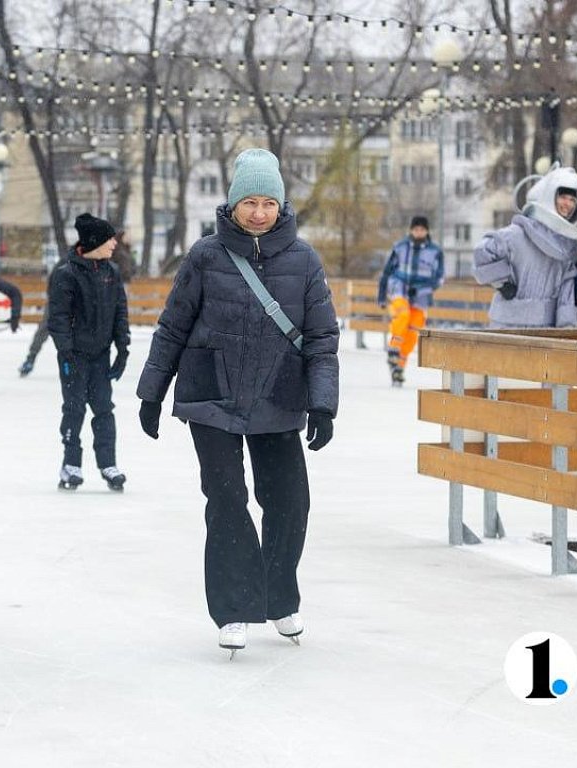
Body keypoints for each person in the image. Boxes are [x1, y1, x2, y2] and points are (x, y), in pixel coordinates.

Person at [136, 148, 339, 654]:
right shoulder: (205, 256)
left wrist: (323, 404)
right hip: (212, 394)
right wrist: (151, 394)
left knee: (290, 501)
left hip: (278, 393)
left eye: (268, 202)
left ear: (280, 204)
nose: (259, 212)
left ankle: (277, 595)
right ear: (232, 204)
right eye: (249, 201)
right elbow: (173, 327)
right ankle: (233, 606)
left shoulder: (303, 260)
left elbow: (321, 339)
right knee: (227, 500)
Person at [49, 212, 130, 491]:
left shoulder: (111, 272)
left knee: (104, 410)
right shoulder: (66, 274)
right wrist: (66, 352)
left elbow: (120, 312)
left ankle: (108, 464)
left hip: (100, 356)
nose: (114, 245)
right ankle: (70, 465)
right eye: (110, 240)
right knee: (74, 409)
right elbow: (58, 318)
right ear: (95, 241)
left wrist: (123, 349)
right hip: (74, 357)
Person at [473, 162, 577, 328]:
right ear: (549, 196)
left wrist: (567, 327)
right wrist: (503, 283)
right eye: (563, 197)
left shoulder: (568, 247)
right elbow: (482, 252)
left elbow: (566, 292)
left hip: (543, 329)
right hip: (507, 327)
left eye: (573, 200)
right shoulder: (517, 234)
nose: (568, 204)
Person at [20, 230, 135, 377]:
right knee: (47, 326)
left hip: (85, 302)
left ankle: (85, 365)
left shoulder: (112, 255)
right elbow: (56, 274)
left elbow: (126, 272)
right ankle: (31, 358)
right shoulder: (75, 256)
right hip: (63, 298)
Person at [376, 216, 444, 386]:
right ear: (411, 230)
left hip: (421, 296)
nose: (418, 232)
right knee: (402, 315)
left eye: (422, 229)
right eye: (416, 229)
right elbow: (386, 272)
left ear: (427, 231)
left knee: (413, 331)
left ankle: (399, 367)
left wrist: (423, 289)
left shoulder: (435, 252)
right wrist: (382, 295)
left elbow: (438, 278)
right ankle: (393, 349)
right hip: (399, 289)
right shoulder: (400, 247)